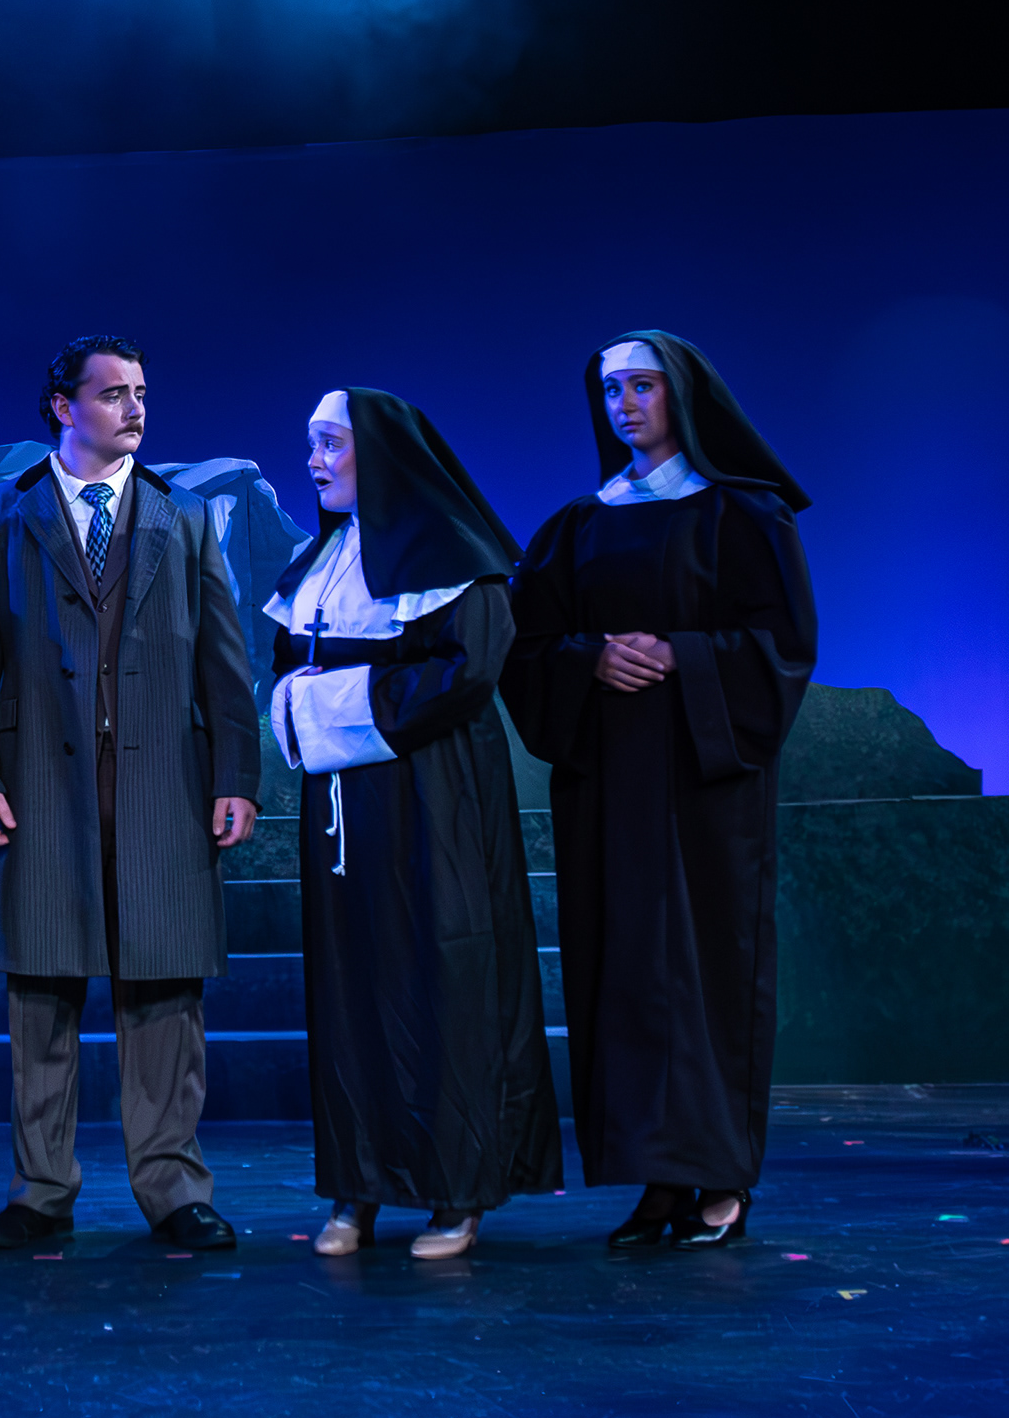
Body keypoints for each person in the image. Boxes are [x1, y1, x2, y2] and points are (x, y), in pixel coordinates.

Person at [0, 336, 259, 1253]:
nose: (135, 407)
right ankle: (40, 1190)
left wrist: (236, 776)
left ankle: (174, 1188)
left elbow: (224, 658)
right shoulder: (1, 511)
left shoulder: (180, 513)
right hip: (41, 784)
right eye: (114, 392)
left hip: (163, 786)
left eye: (141, 392)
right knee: (41, 992)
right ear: (62, 404)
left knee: (164, 995)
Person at [502, 334, 817, 1251]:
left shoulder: (744, 514)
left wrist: (681, 653)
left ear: (683, 394)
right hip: (607, 783)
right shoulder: (578, 526)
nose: (625, 404)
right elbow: (526, 648)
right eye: (611, 389)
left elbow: (783, 646)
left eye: (643, 385)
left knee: (707, 970)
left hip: (706, 782)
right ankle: (657, 1178)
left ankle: (722, 1177)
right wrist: (590, 658)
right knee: (625, 972)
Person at [268, 388, 566, 1258]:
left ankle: (456, 1189)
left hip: (432, 798)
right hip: (342, 810)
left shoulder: (456, 558)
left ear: (383, 454)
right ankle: (358, 1186)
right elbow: (288, 665)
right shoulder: (324, 557)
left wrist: (329, 706)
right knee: (350, 984)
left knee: (444, 976)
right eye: (312, 444)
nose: (315, 461)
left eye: (330, 444)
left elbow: (466, 672)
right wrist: (308, 703)